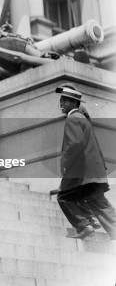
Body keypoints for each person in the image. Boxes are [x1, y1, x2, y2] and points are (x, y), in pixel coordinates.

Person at [55, 84, 116, 240]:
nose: (61, 104)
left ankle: (84, 225)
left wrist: (66, 166)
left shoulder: (73, 119)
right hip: (93, 171)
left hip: (81, 170)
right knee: (97, 201)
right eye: (61, 100)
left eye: (66, 101)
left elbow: (74, 145)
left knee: (64, 196)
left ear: (75, 103)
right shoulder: (83, 119)